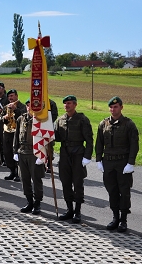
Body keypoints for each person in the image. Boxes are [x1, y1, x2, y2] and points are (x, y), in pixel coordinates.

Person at [95, 96, 139, 232]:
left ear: (121, 107)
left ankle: (123, 220)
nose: (113, 109)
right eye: (111, 107)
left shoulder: (129, 124)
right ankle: (115, 218)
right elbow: (99, 143)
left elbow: (134, 145)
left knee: (124, 191)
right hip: (108, 162)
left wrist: (131, 162)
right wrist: (98, 159)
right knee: (112, 191)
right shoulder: (103, 124)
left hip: (122, 163)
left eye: (116, 107)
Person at [54, 95, 94, 223]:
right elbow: (56, 137)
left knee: (77, 183)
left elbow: (89, 140)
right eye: (65, 103)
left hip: (78, 153)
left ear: (75, 104)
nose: (67, 105)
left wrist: (87, 157)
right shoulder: (60, 120)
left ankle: (77, 211)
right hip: (65, 153)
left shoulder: (82, 119)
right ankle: (69, 209)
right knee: (65, 182)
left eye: (69, 103)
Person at [14, 99, 45, 214]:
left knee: (36, 179)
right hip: (22, 152)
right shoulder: (20, 119)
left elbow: (47, 139)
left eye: (31, 106)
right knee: (24, 179)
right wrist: (15, 151)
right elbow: (16, 136)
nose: (29, 108)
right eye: (27, 106)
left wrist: (43, 155)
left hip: (35, 153)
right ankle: (29, 201)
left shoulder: (41, 120)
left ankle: (37, 203)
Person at [2, 89, 26, 181]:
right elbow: (0, 117)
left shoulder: (22, 106)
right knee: (7, 153)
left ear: (16, 96)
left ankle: (18, 173)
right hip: (8, 132)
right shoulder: (6, 107)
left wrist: (16, 110)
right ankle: (12, 171)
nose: (10, 98)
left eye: (12, 96)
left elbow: (24, 116)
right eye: (9, 96)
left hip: (17, 133)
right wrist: (4, 117)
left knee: (16, 152)